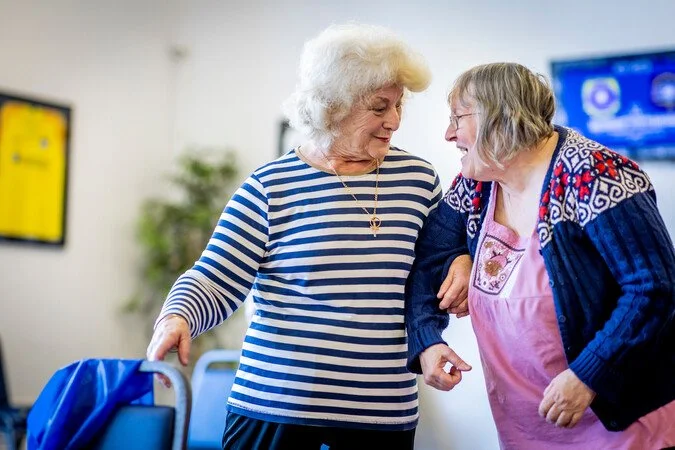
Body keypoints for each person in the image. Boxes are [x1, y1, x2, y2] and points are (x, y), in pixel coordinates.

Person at [146, 23, 470, 450]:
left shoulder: (418, 180)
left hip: (381, 413)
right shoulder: (270, 186)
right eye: (379, 107)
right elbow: (215, 277)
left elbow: (434, 262)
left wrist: (460, 260)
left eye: (398, 105)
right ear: (332, 106)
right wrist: (178, 315)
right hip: (274, 408)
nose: (393, 120)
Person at [405, 62, 675, 449]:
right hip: (526, 426)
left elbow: (654, 287)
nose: (449, 134)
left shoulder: (595, 173)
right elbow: (430, 255)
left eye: (457, 118)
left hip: (616, 422)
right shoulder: (477, 184)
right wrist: (427, 338)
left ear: (500, 118)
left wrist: (589, 375)